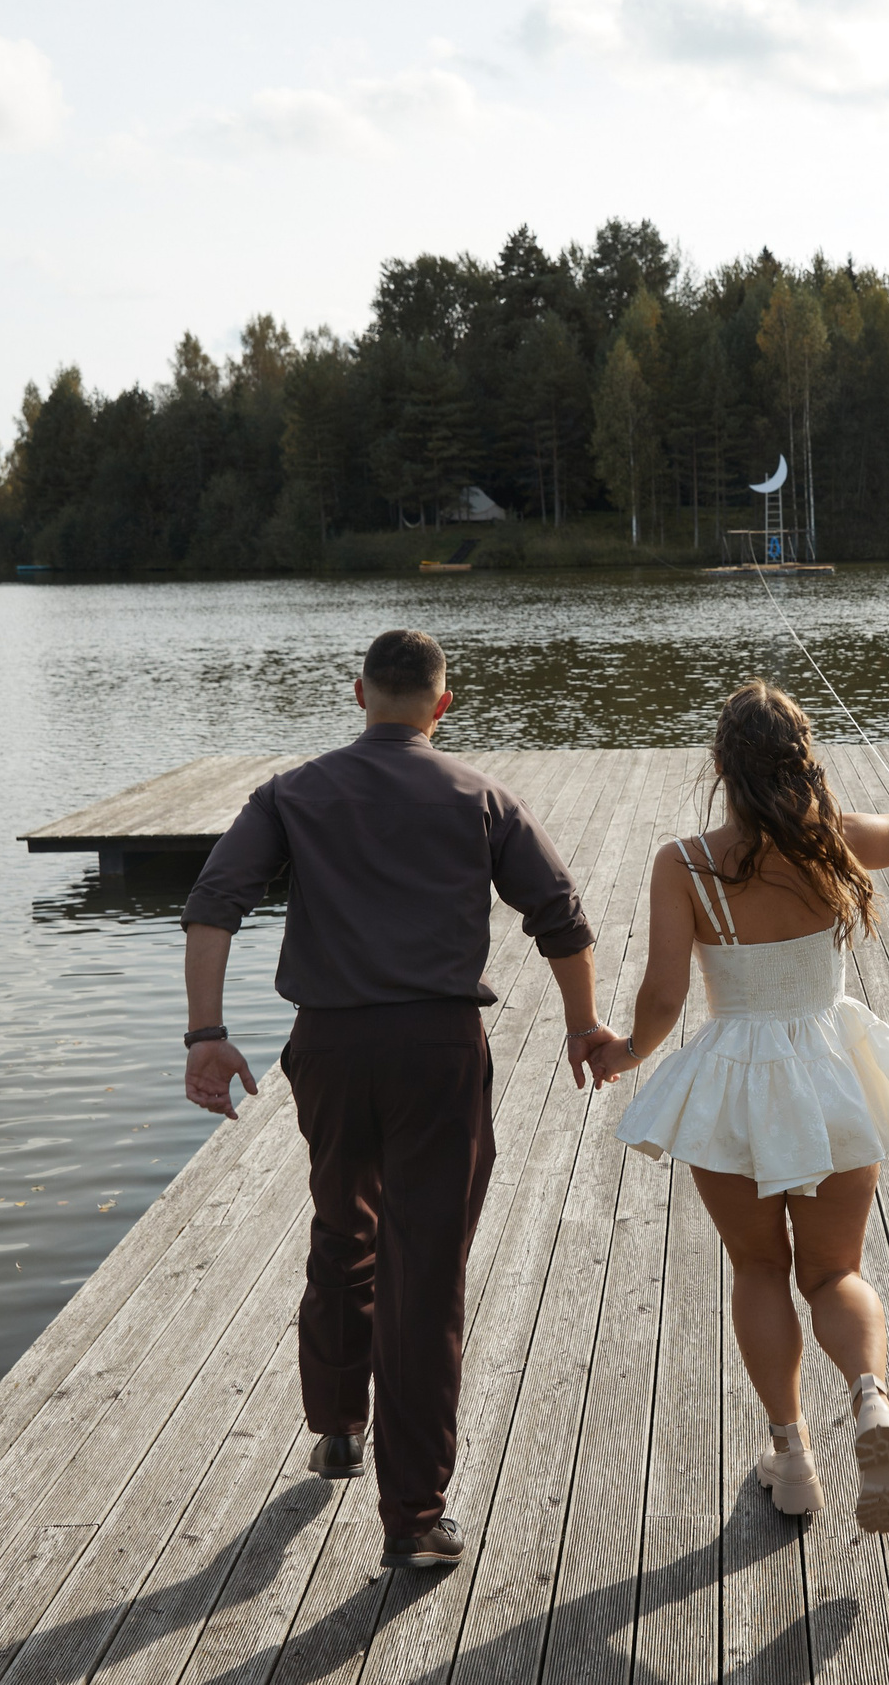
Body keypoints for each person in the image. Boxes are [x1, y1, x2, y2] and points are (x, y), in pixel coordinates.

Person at [592, 681, 889, 1531]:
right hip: (831, 1074)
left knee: (759, 1269)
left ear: (722, 768)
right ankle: (870, 1398)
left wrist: (625, 1052)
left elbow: (666, 995)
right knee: (835, 1272)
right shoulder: (839, 846)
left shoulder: (686, 863)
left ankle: (792, 1458)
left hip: (736, 1086)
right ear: (804, 757)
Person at [180, 629, 618, 1572]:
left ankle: (338, 1424)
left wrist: (205, 1033)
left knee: (344, 1222)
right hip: (437, 1049)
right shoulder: (481, 797)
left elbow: (216, 898)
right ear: (442, 703)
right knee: (425, 1273)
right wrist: (583, 1024)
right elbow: (561, 915)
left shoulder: (292, 792)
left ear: (358, 694)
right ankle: (414, 1515)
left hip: (332, 1049)